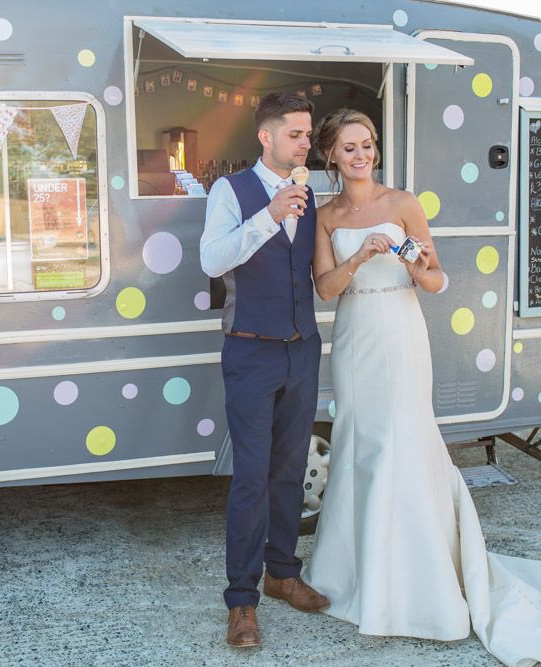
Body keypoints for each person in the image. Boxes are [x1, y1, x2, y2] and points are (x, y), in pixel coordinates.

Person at [304, 108, 541, 667]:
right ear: (331, 156)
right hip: (357, 334)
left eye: (369, 145)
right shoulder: (326, 215)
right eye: (350, 147)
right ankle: (359, 572)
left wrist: (416, 266)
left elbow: (437, 281)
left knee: (407, 438)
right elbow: (324, 289)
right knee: (361, 438)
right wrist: (360, 256)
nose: (363, 155)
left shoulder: (404, 203)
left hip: (403, 331)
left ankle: (421, 577)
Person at [200, 92, 328, 648]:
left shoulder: (313, 193)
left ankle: (282, 573)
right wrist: (269, 216)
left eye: (308, 134)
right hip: (250, 349)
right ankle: (242, 602)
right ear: (266, 137)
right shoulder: (231, 191)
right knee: (250, 478)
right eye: (296, 134)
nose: (306, 143)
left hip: (302, 348)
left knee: (289, 469)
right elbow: (212, 260)